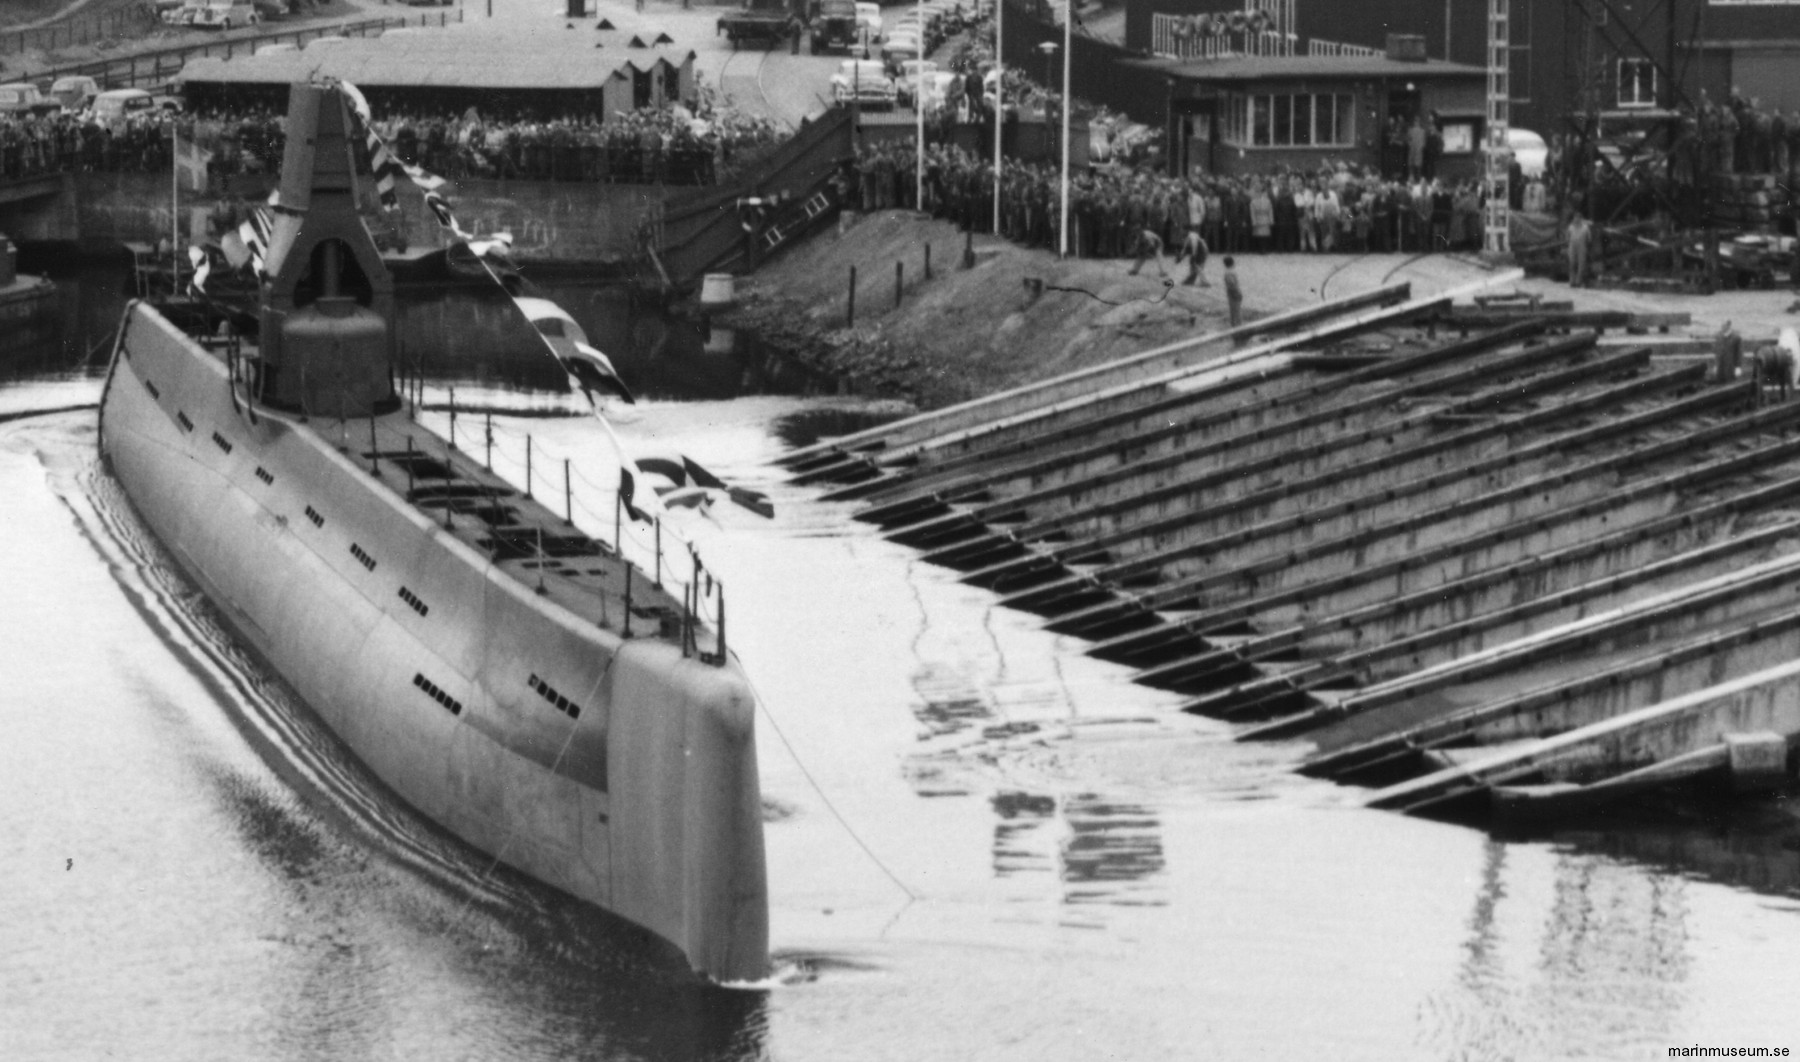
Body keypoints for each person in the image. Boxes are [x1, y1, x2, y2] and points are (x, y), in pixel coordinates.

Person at [1566, 212, 1592, 288]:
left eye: (1578, 218)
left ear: (1581, 219)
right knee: (1572, 264)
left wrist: (1586, 245)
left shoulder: (1585, 227)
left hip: (1582, 246)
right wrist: (1569, 244)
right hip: (1572, 246)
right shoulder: (1570, 227)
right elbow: (1567, 237)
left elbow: (1589, 238)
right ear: (1573, 219)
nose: (1576, 220)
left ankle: (1578, 281)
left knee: (1581, 264)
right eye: (1575, 218)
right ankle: (1572, 281)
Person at [1222, 255, 1242, 327]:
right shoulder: (1230, 273)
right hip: (1233, 293)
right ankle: (1237, 325)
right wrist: (1237, 293)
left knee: (1233, 310)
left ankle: (1234, 324)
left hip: (1231, 293)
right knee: (1236, 310)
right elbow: (1232, 284)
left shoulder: (1227, 272)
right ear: (1232, 263)